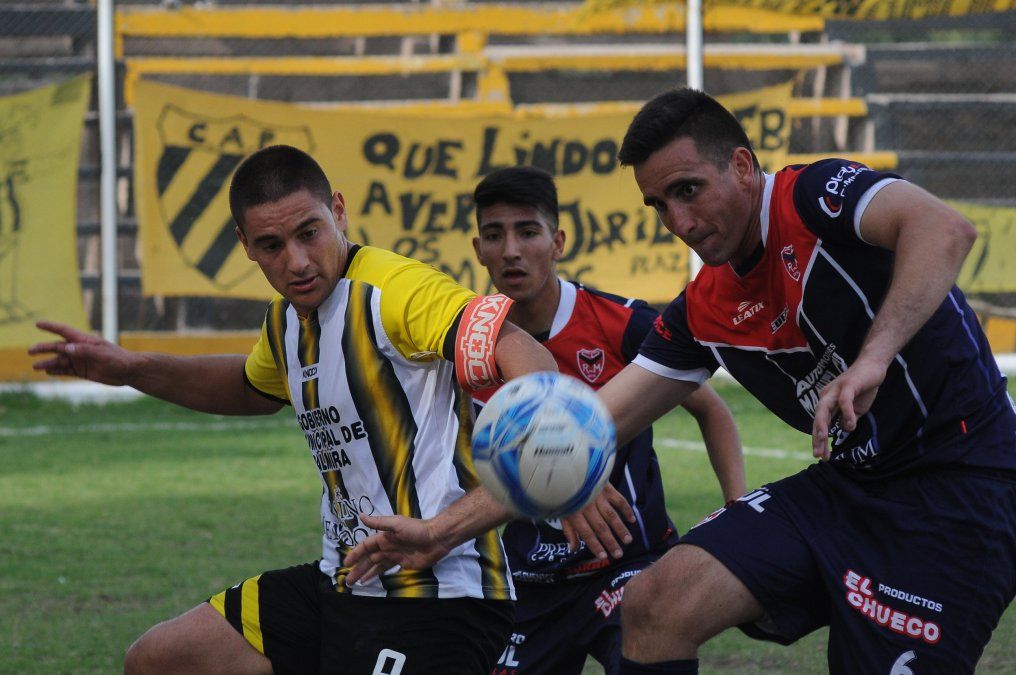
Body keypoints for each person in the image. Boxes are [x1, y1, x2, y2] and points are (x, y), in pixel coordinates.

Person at [28, 144, 560, 675]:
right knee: (162, 660)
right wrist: (131, 369)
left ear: (338, 211)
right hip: (342, 582)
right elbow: (248, 386)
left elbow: (528, 359)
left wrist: (448, 526)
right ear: (245, 245)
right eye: (271, 245)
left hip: (442, 595)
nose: (297, 261)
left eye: (309, 233)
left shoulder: (395, 290)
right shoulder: (286, 320)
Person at [594, 88, 1015, 674]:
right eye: (658, 205)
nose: (678, 223)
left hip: (964, 485)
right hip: (847, 489)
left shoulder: (814, 196)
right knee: (655, 602)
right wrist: (478, 504)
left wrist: (873, 358)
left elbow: (945, 229)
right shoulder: (703, 309)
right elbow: (593, 425)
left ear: (742, 167)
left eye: (688, 190)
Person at [469, 166, 745, 675]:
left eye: (527, 232)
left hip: (628, 563)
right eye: (494, 235)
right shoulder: (471, 347)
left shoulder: (621, 322)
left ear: (558, 241)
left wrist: (736, 509)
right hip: (531, 580)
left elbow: (712, 409)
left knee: (652, 644)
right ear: (477, 249)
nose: (510, 250)